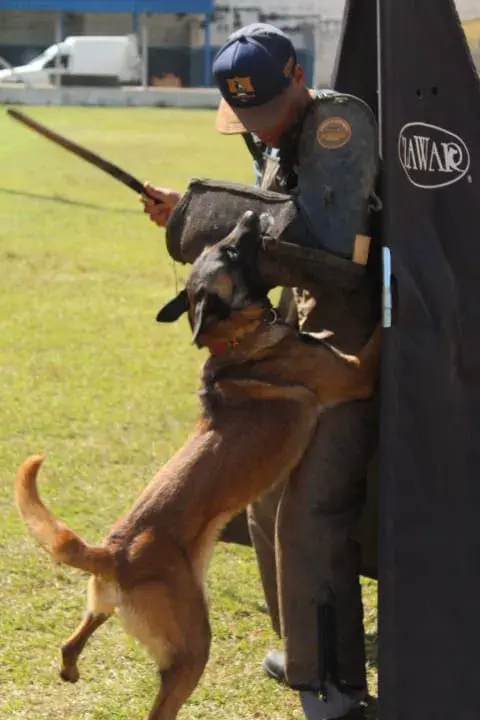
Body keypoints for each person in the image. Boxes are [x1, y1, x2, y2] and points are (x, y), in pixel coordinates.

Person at [142, 23, 380, 720]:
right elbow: (262, 235)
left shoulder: (339, 122)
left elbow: (326, 245)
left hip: (361, 323)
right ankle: (300, 652)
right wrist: (185, 217)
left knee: (311, 505)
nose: (264, 129)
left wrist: (203, 217)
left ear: (298, 77)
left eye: (271, 112)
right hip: (298, 321)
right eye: (250, 117)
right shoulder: (270, 134)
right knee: (267, 497)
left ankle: (332, 689)